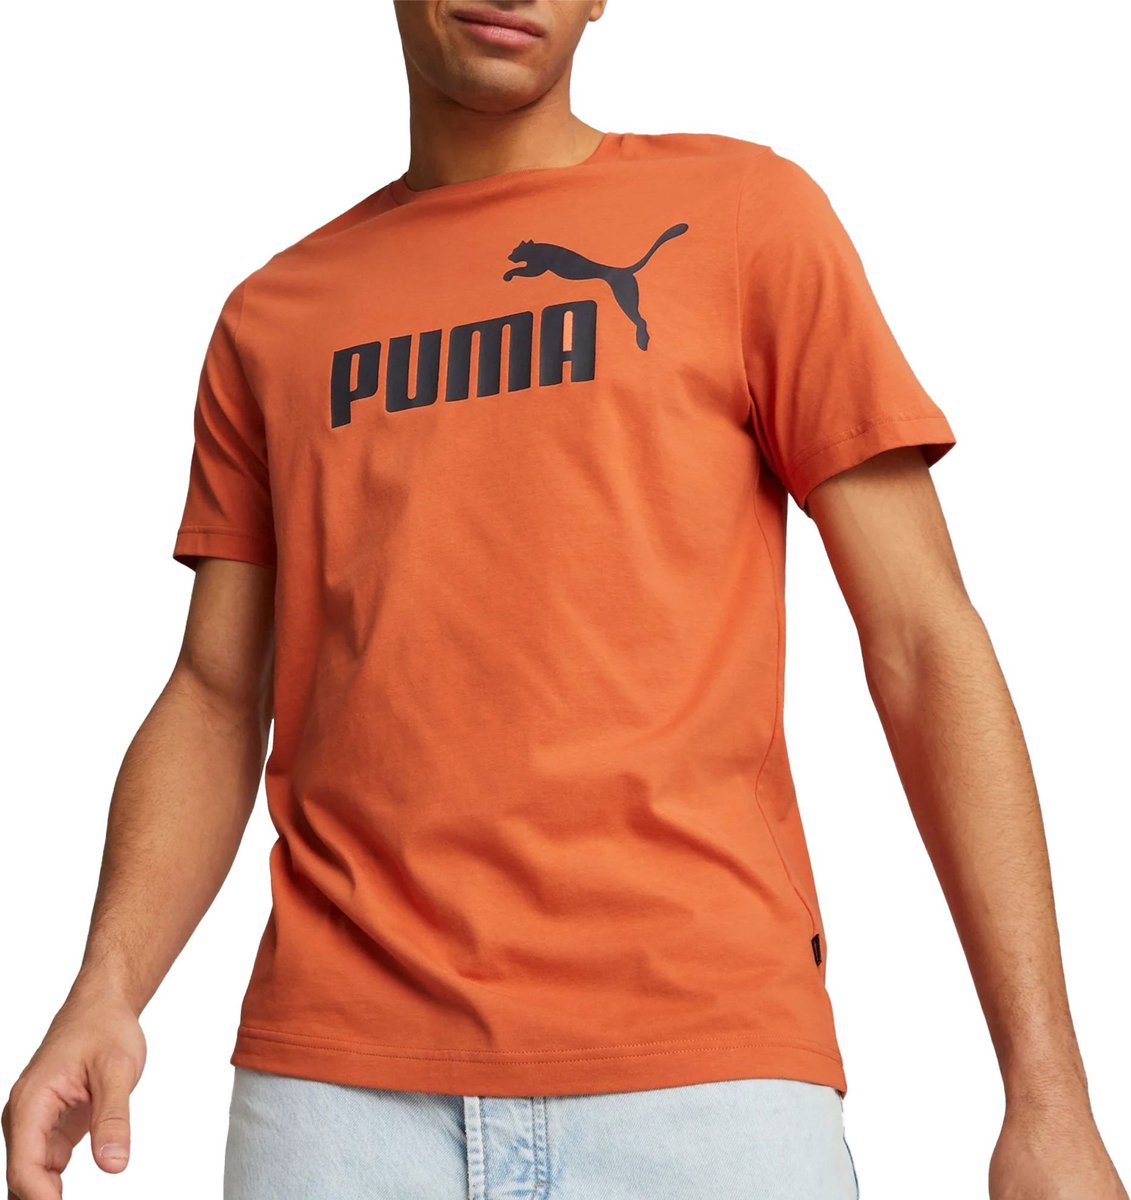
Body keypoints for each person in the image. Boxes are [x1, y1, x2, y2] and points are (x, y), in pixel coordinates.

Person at [3, 2, 1126, 1197]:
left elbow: (921, 640)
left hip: (706, 1080)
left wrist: (1047, 1094)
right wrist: (105, 988)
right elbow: (217, 693)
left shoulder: (750, 218)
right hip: (339, 1100)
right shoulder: (274, 318)